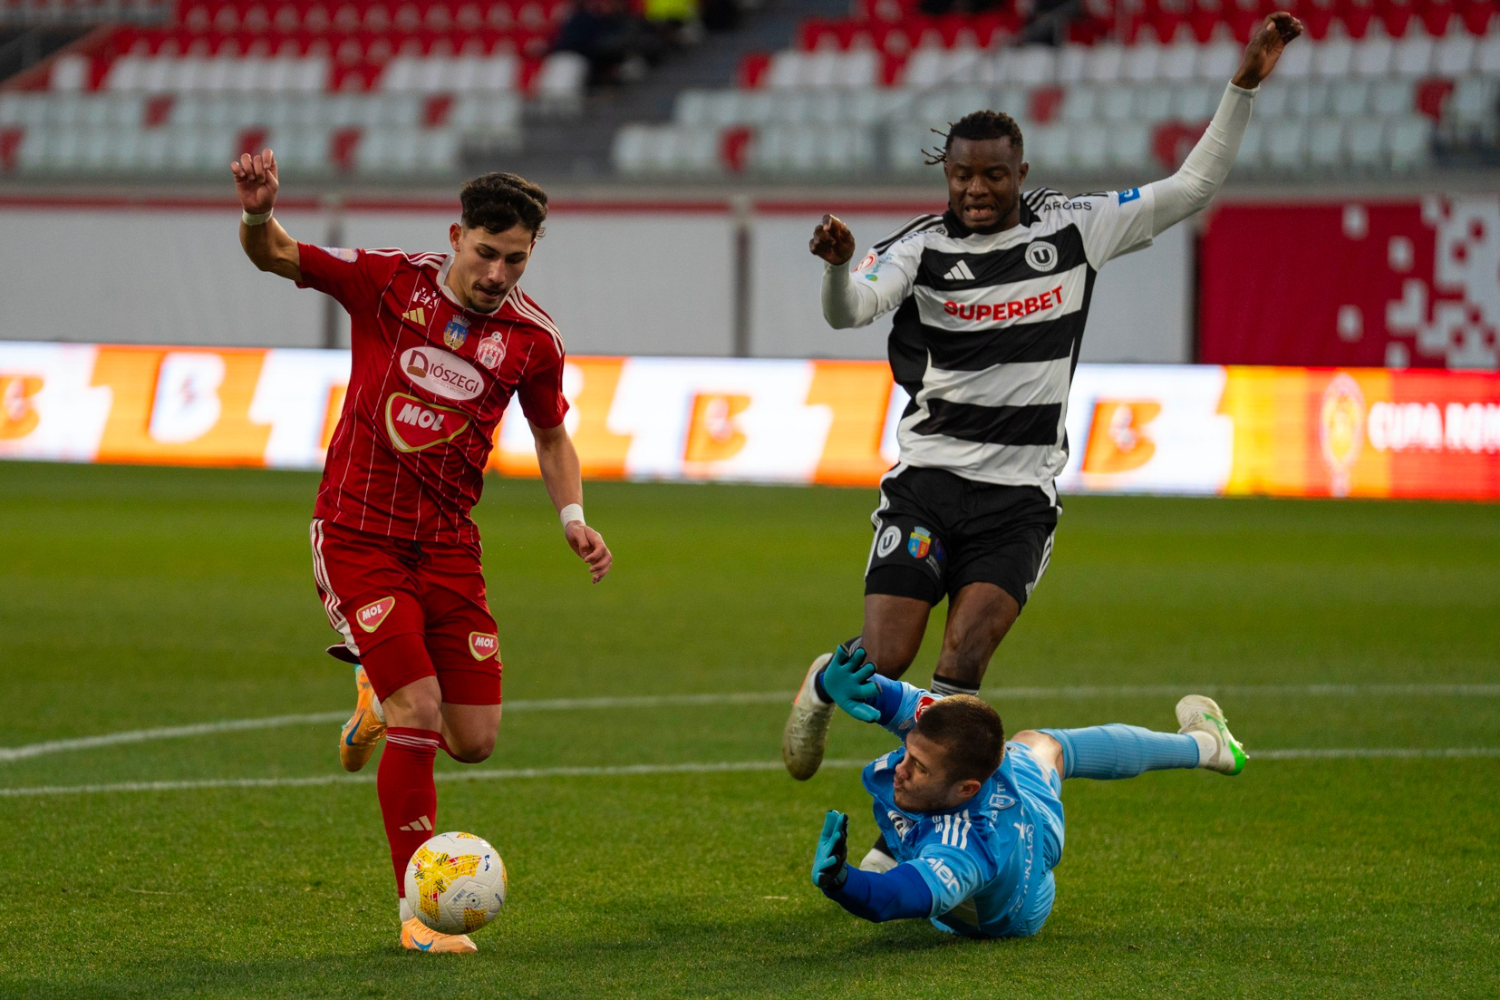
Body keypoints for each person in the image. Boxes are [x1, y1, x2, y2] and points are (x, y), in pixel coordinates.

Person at [783, 11, 1302, 865]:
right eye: (962, 175)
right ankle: (822, 681)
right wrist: (839, 266)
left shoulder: (1072, 227)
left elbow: (1190, 188)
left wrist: (1242, 85)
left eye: (993, 174)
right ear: (945, 174)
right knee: (886, 662)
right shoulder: (919, 249)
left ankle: (900, 838)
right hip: (928, 482)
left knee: (963, 667)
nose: (976, 189)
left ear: (1021, 173)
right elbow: (851, 312)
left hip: (1020, 498)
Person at [231, 151, 612, 953]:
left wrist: (573, 516)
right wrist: (260, 211)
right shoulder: (387, 281)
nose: (497, 273)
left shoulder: (534, 340)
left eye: (516, 259)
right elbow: (278, 255)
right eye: (487, 252)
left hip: (448, 547)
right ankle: (418, 914)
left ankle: (376, 693)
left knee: (474, 741)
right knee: (421, 712)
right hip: (358, 533)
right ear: (456, 236)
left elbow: (551, 435)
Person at [806, 644, 1246, 938]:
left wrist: (842, 880)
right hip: (1027, 804)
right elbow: (890, 698)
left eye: (919, 767)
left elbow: (892, 899)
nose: (901, 770)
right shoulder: (947, 729)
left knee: (934, 889)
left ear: (967, 788)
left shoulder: (966, 847)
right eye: (909, 752)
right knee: (1043, 744)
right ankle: (1207, 746)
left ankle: (1208, 746)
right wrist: (834, 684)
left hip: (1020, 903)